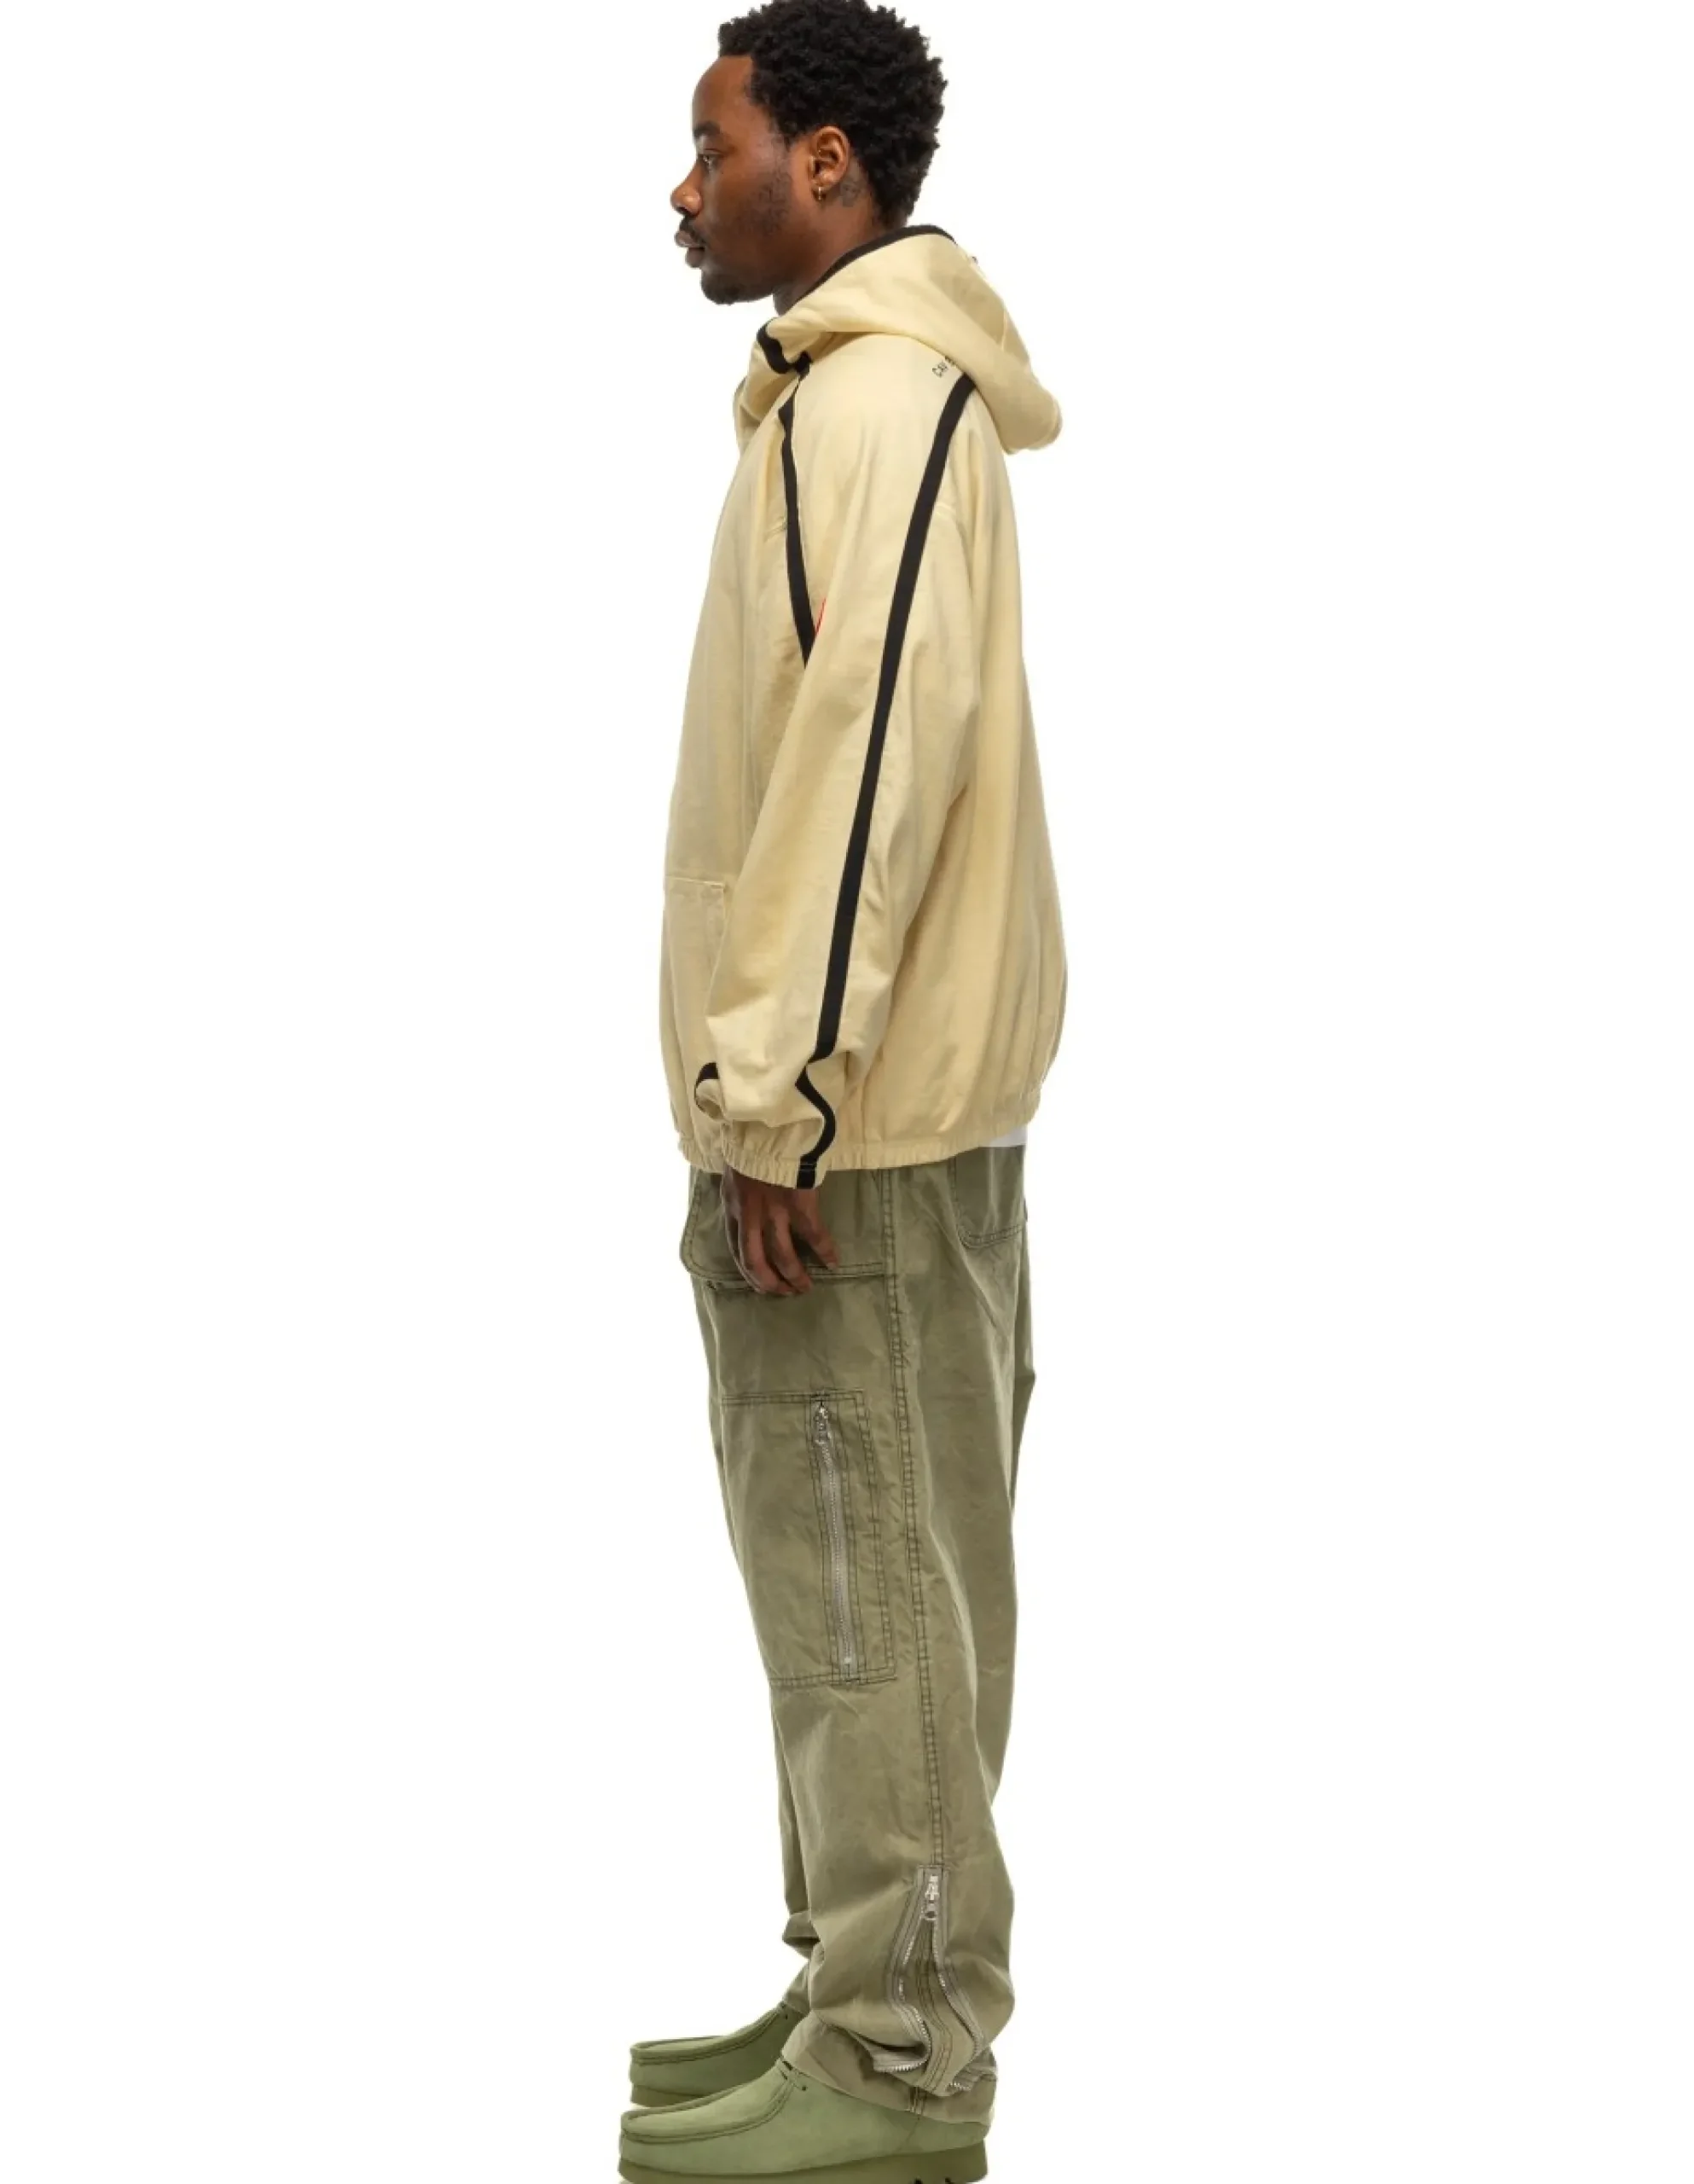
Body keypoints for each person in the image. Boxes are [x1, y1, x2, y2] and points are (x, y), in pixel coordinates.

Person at [623, 4, 1066, 2179]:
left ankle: (898, 2055)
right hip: (882, 1119)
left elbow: (865, 759)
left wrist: (770, 1103)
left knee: (869, 1574)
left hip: (848, 1131)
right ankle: (856, 1975)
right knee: (869, 1573)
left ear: (824, 161)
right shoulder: (856, 397)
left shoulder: (873, 405)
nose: (679, 187)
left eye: (710, 144)